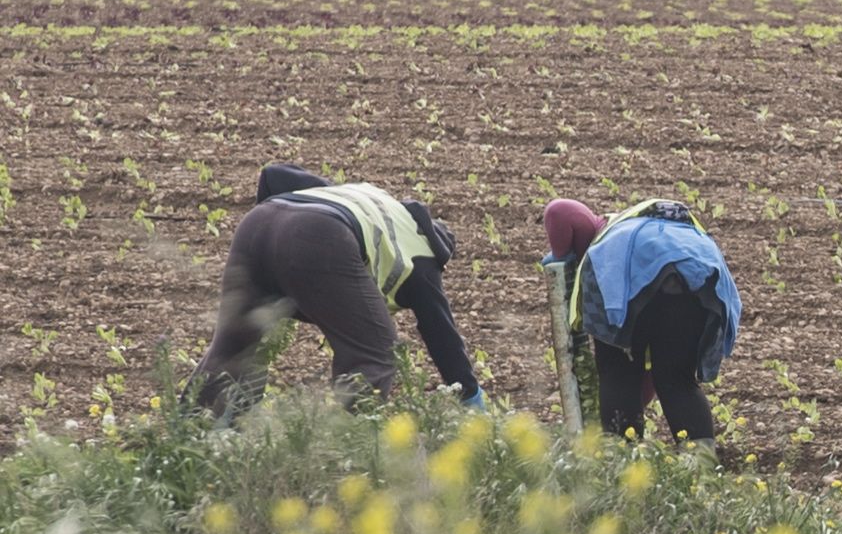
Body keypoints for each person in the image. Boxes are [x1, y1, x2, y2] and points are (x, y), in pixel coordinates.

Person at [190, 163, 480, 417]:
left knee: (234, 347)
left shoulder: (366, 198)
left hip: (256, 225)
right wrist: (471, 397)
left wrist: (280, 255)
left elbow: (272, 174)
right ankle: (350, 453)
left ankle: (191, 442)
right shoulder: (423, 257)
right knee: (376, 353)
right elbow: (442, 336)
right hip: (321, 237)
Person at [542, 197, 742, 443]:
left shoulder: (606, 228)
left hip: (628, 264)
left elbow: (558, 210)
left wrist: (561, 257)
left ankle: (622, 464)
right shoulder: (666, 225)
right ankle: (701, 471)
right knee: (677, 378)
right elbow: (648, 383)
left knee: (618, 372)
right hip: (698, 272)